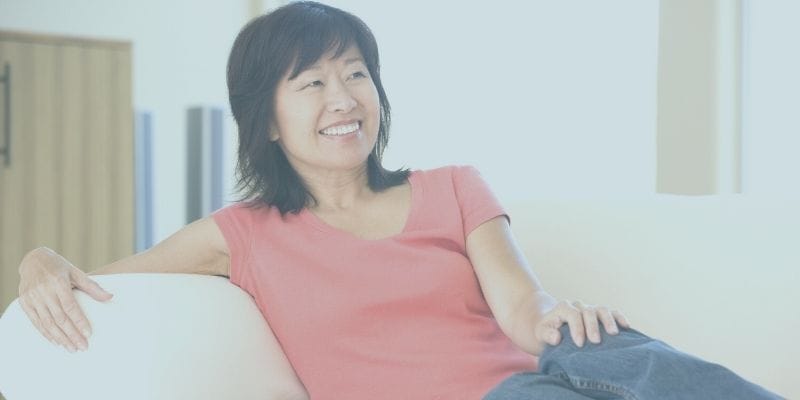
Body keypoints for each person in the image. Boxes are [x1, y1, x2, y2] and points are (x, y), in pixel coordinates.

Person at [15, 2, 782, 399]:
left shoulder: (454, 187)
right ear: (267, 122)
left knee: (613, 346)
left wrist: (558, 319)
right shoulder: (239, 235)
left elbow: (523, 309)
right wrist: (39, 258)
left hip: (535, 375)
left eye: (354, 73)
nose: (343, 97)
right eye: (311, 82)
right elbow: (109, 280)